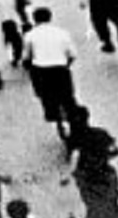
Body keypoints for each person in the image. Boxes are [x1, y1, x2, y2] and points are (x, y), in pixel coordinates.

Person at [22, 7, 79, 142]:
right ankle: (74, 119)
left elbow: (26, 57)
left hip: (41, 71)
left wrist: (28, 66)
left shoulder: (30, 35)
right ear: (50, 17)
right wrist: (66, 65)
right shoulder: (62, 33)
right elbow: (72, 54)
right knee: (68, 97)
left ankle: (53, 114)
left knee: (45, 95)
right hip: (60, 69)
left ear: (34, 19)